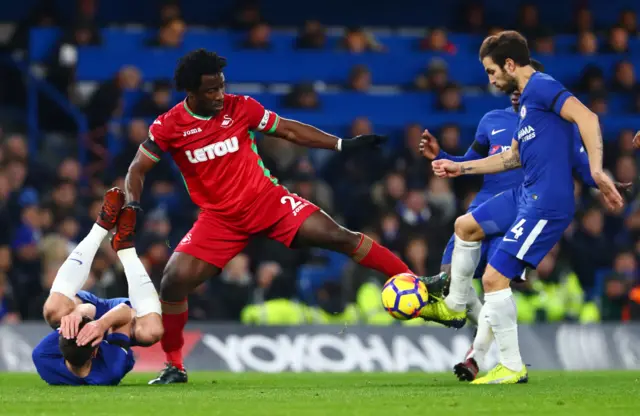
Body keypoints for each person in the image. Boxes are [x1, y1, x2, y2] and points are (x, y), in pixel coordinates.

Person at [123, 48, 434, 384]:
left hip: (267, 202)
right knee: (172, 281)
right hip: (219, 220)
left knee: (339, 236)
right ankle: (174, 365)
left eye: (222, 87)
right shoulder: (169, 125)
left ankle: (415, 284)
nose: (220, 95)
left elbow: (287, 130)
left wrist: (341, 145)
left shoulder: (240, 108)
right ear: (191, 92)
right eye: (211, 90)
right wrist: (132, 202)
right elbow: (137, 168)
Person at [426, 30, 623, 384]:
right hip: (526, 194)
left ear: (510, 64)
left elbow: (588, 118)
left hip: (546, 203)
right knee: (464, 226)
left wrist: (596, 170)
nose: (490, 79)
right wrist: (460, 167)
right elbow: (512, 157)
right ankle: (455, 304)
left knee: (493, 278)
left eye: (491, 71)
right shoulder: (528, 105)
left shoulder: (543, 86)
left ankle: (511, 365)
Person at [32, 188, 163, 385]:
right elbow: (125, 314)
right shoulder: (110, 370)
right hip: (117, 320)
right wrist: (101, 325)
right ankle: (125, 247)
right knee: (151, 331)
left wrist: (77, 314)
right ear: (96, 351)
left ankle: (102, 225)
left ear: (61, 347)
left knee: (53, 310)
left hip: (86, 309)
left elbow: (89, 309)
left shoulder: (43, 357)